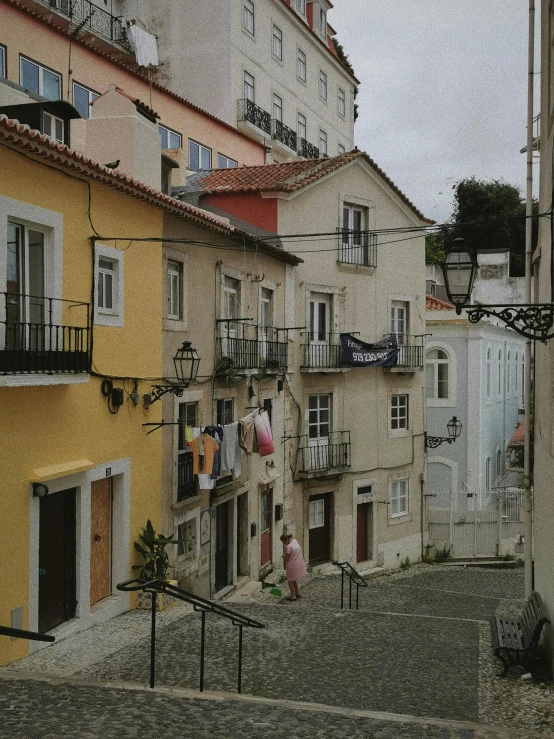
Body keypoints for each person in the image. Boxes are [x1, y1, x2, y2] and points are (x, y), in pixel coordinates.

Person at [280, 533, 307, 601]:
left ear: (286, 540)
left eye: (284, 542)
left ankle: (293, 595)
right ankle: (297, 592)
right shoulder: (295, 541)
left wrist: (283, 556)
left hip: (291, 565)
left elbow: (287, 558)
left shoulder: (288, 547)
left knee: (290, 581)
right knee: (294, 579)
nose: (284, 543)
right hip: (298, 563)